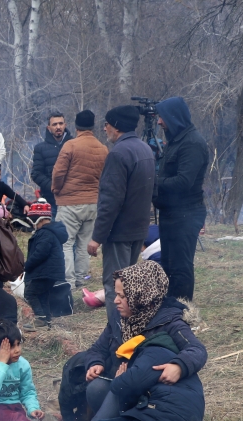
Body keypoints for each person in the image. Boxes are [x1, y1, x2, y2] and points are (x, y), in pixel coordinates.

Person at [42, 262, 206, 421]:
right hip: (129, 389)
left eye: (122, 295)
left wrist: (179, 366)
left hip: (153, 398)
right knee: (97, 388)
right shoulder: (121, 320)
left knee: (117, 392)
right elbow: (96, 349)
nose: (115, 300)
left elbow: (197, 350)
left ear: (141, 295)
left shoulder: (170, 322)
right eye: (116, 294)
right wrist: (95, 363)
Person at [87, 105, 155, 338]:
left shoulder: (118, 154)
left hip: (119, 233)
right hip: (138, 231)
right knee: (130, 286)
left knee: (115, 288)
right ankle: (131, 332)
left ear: (116, 126)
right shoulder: (145, 149)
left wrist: (97, 237)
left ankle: (118, 337)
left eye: (107, 123)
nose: (104, 127)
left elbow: (110, 201)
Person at [153, 97, 209, 301]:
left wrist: (155, 184)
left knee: (181, 265)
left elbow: (184, 181)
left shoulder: (192, 143)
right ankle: (170, 307)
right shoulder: (176, 140)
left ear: (173, 118)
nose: (159, 122)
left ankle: (183, 311)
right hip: (171, 212)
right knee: (168, 263)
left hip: (186, 214)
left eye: (162, 117)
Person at [51, 110, 108, 287]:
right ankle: (80, 280)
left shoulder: (70, 146)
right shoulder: (103, 149)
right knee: (84, 244)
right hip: (93, 203)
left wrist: (56, 189)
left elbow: (58, 172)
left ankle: (68, 281)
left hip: (70, 202)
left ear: (75, 126)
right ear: (93, 125)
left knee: (66, 243)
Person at [23, 206, 68, 327]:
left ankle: (40, 318)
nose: (33, 224)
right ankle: (47, 319)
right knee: (42, 295)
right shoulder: (50, 232)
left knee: (30, 293)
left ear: (40, 220)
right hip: (50, 272)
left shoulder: (45, 233)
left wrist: (26, 265)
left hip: (44, 272)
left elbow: (40, 253)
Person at [31, 111, 73, 221]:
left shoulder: (75, 144)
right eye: (54, 124)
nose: (58, 127)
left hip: (73, 200)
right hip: (51, 200)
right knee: (54, 234)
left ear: (65, 125)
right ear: (49, 127)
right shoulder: (40, 148)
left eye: (60, 123)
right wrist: (53, 187)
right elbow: (36, 174)